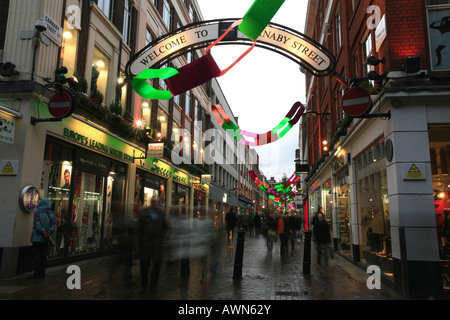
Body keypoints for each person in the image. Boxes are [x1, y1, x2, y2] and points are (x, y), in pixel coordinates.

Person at [137, 197, 168, 295]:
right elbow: (138, 229)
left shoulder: (161, 214)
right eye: (154, 202)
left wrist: (162, 239)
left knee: (156, 267)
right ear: (151, 203)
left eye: (157, 202)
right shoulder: (144, 213)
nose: (155, 204)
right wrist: (138, 244)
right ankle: (144, 286)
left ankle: (153, 286)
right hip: (146, 245)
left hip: (157, 246)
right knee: (144, 267)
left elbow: (165, 228)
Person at [29, 198, 56, 279]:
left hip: (37, 237)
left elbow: (37, 224)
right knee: (43, 255)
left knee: (37, 255)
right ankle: (42, 273)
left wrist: (43, 231)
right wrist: (48, 232)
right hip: (46, 238)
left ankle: (36, 273)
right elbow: (54, 225)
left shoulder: (37, 212)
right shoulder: (52, 213)